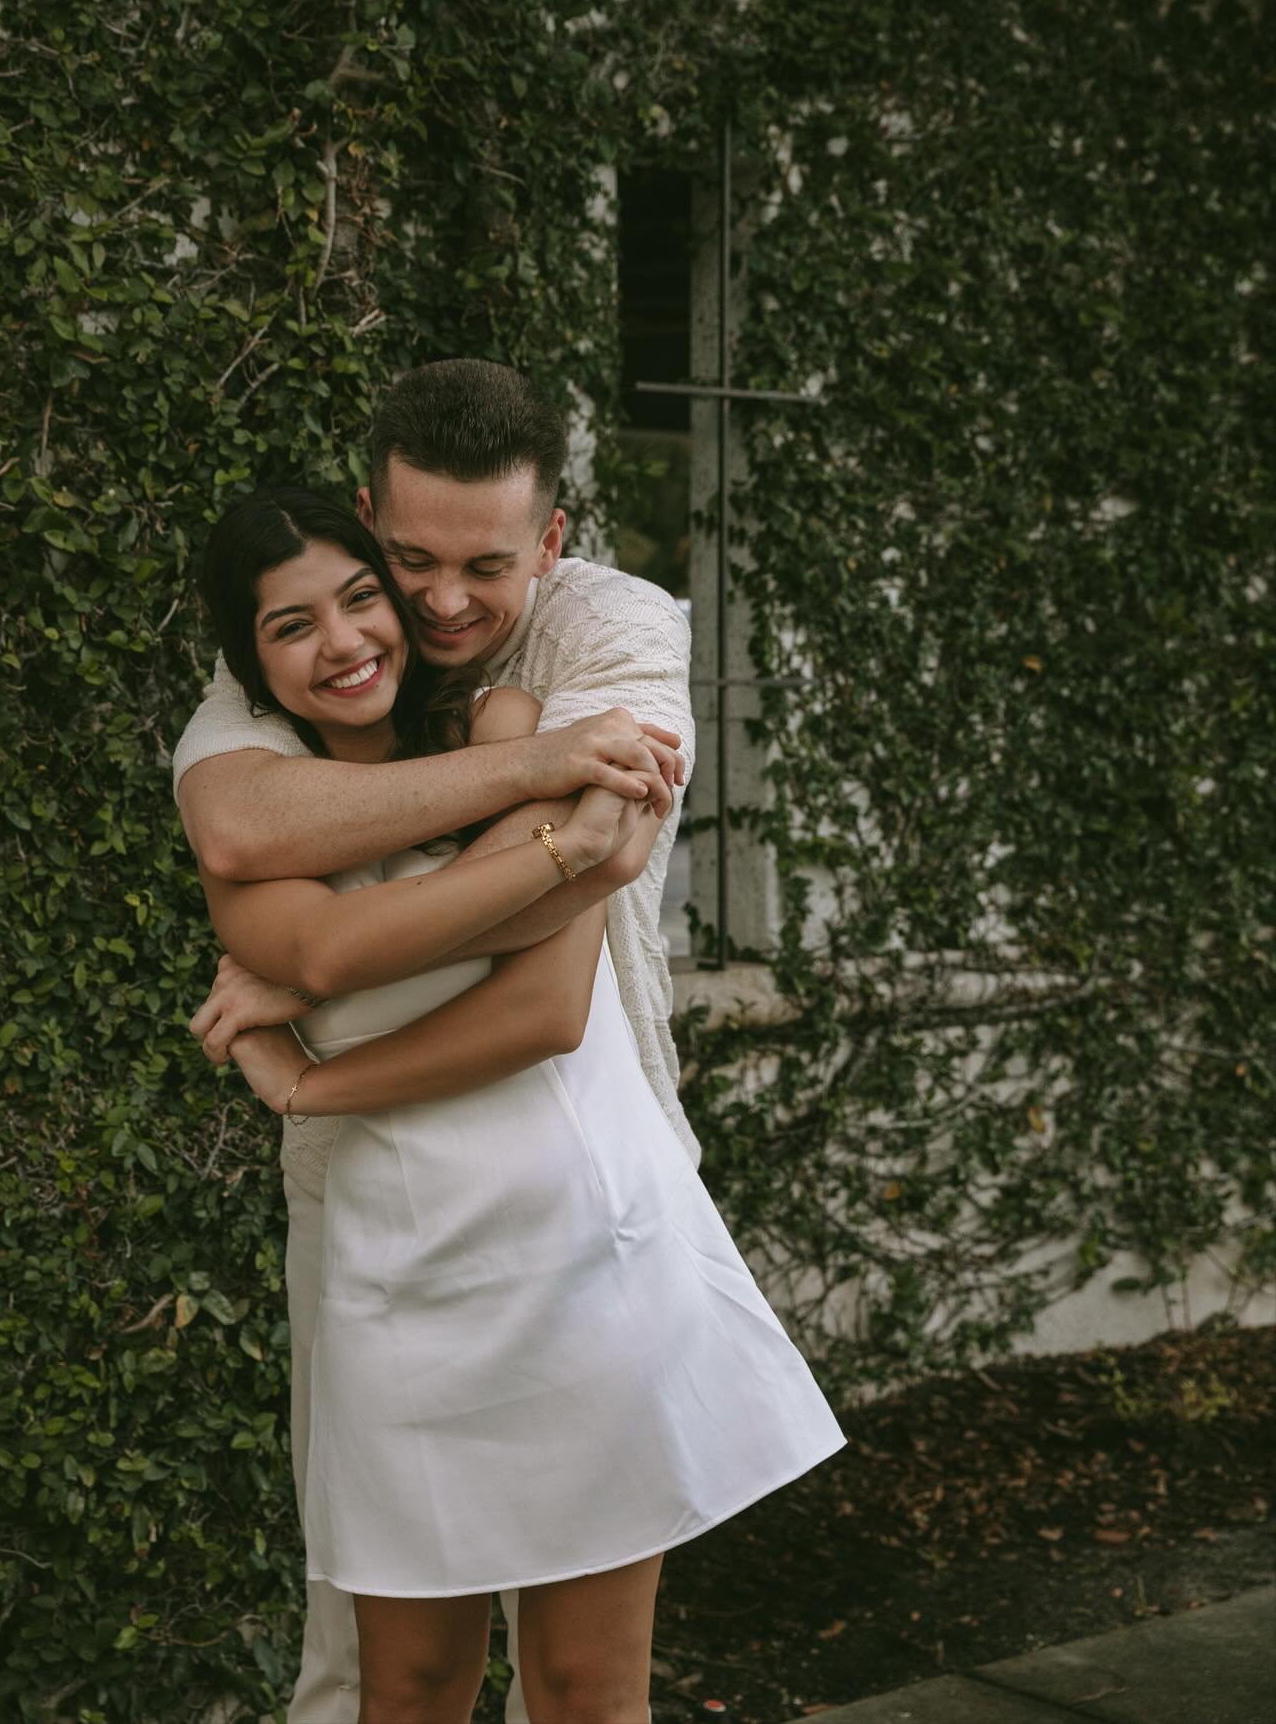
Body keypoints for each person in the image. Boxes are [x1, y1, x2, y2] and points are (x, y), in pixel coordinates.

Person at [168, 359, 824, 1718]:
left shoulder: (596, 647)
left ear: (552, 542)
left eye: (485, 565)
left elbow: (548, 982)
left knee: (584, 1688)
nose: (428, 605)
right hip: (379, 1246)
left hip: (574, 1211)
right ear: (367, 520)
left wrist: (310, 1076)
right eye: (405, 562)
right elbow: (272, 879)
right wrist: (537, 805)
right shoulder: (290, 684)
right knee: (380, 1679)